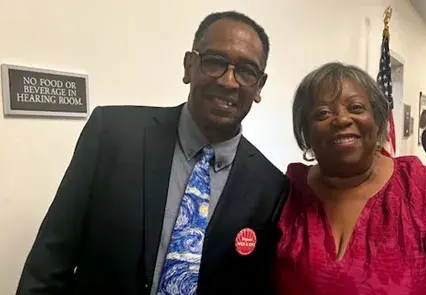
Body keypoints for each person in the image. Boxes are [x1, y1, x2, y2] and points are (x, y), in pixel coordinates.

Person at [16, 11, 287, 295]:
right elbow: (50, 259)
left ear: (259, 86)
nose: (229, 81)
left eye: (246, 71)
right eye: (214, 62)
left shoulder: (270, 187)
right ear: (189, 66)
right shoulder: (112, 134)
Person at [275, 63, 426, 294]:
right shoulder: (287, 193)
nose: (342, 120)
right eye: (323, 112)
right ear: (305, 128)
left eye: (355, 107)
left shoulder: (423, 190)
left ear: (377, 120)